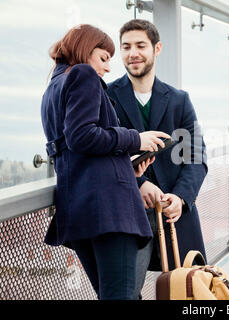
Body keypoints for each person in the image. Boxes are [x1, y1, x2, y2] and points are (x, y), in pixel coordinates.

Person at [40, 24, 171, 300]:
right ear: (84, 50)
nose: (108, 68)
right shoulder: (83, 74)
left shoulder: (53, 86)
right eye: (103, 57)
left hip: (79, 208)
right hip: (109, 210)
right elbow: (82, 136)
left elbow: (73, 148)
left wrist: (127, 166)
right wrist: (136, 139)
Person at [106, 19, 208, 299]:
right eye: (126, 47)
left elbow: (196, 156)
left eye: (140, 45)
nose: (132, 53)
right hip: (128, 211)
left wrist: (181, 197)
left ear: (157, 48)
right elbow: (102, 155)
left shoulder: (179, 100)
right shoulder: (107, 97)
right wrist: (138, 184)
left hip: (175, 214)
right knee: (126, 292)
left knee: (188, 291)